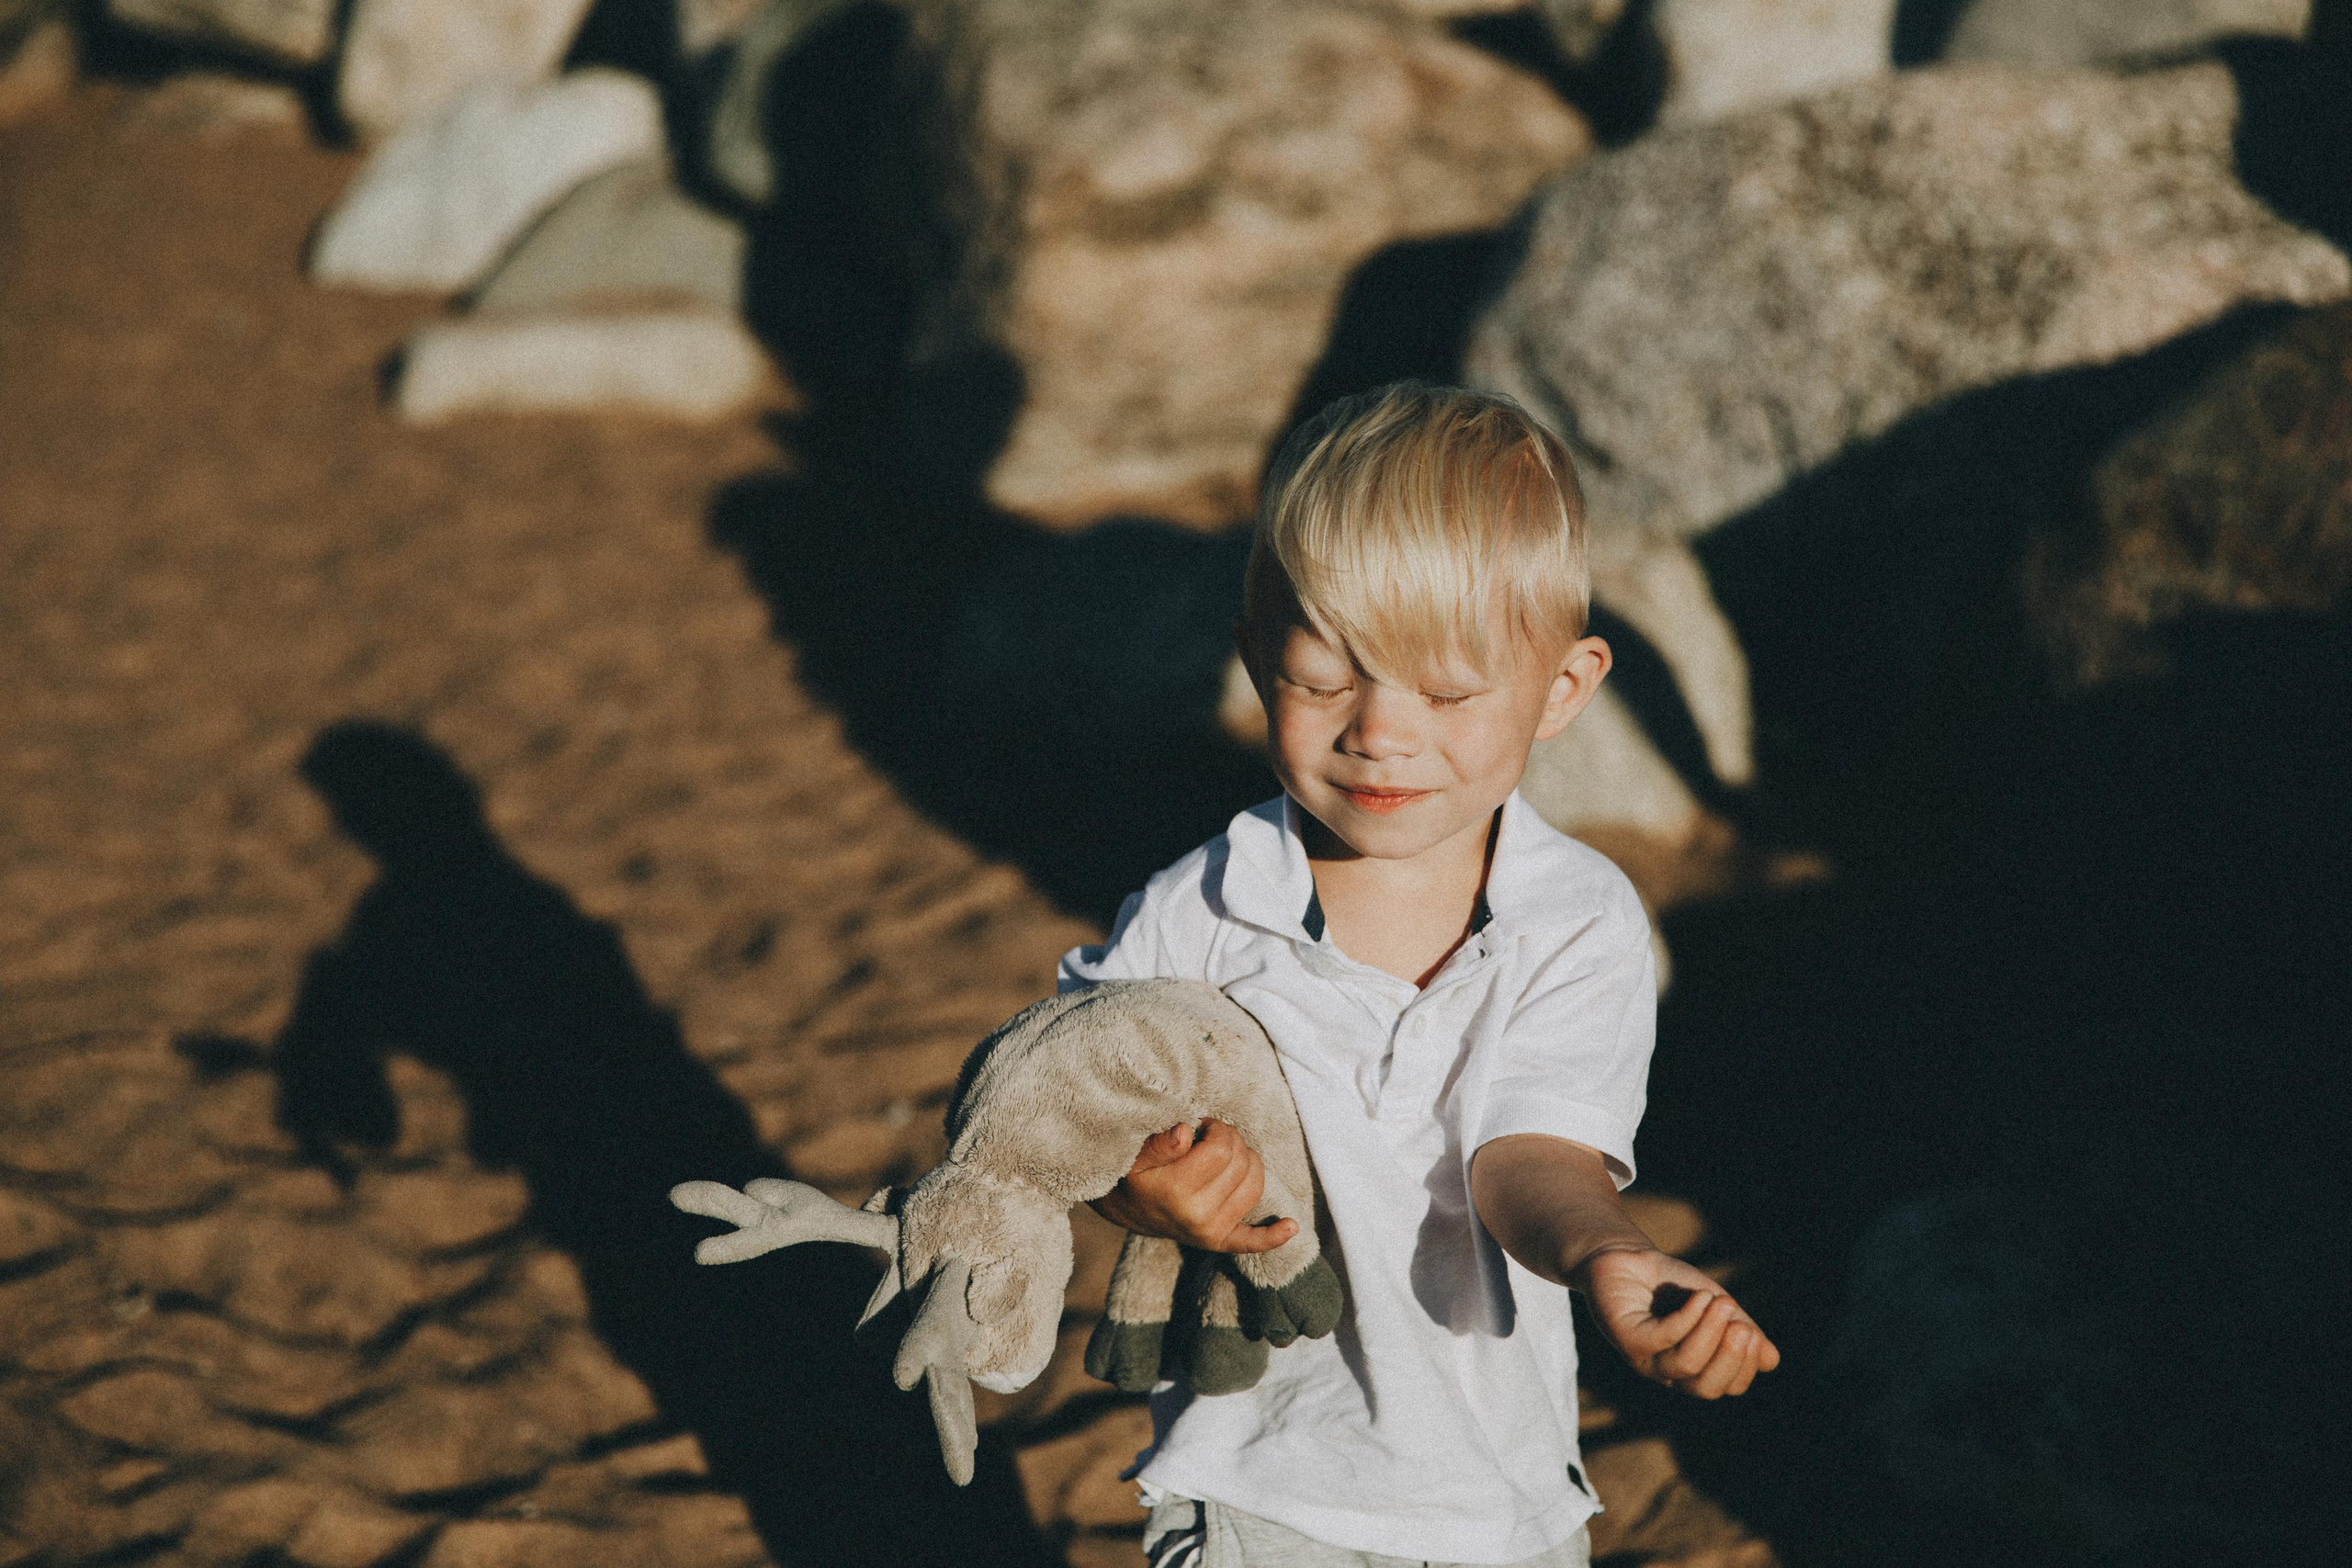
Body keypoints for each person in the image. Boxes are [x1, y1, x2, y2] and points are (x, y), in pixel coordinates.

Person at [1059, 381, 1779, 1567]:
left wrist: (1607, 1250)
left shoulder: (1576, 919)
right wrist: (1141, 1190)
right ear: (1255, 664)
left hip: (1498, 1496)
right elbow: (1074, 1120)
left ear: (1563, 691)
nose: (1380, 733)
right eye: (1326, 678)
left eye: (1445, 691)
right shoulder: (1201, 910)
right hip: (1256, 1486)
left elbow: (1532, 1150)